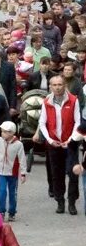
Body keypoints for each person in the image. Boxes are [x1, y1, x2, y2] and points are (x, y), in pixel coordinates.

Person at [38, 74, 82, 215]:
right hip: (54, 143)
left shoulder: (73, 101)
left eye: (60, 85)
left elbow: (78, 122)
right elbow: (42, 123)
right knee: (57, 174)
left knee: (72, 172)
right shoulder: (46, 102)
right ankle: (60, 201)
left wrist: (70, 139)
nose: (57, 88)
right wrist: (50, 140)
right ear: (50, 87)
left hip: (70, 143)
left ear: (65, 86)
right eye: (54, 85)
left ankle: (72, 202)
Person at [0, 120, 27, 221]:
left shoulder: (18, 144)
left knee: (13, 193)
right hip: (1, 172)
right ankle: (1, 211)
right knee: (2, 191)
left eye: (4, 131)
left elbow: (22, 159)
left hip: (12, 173)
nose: (2, 133)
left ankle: (12, 212)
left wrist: (23, 173)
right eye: (2, 131)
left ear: (11, 133)